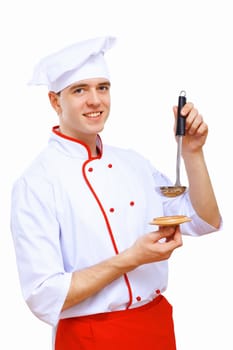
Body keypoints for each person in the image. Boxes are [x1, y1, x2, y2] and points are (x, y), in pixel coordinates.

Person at [11, 36, 221, 350]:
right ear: (55, 102)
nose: (95, 101)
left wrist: (193, 153)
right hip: (89, 337)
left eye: (103, 87)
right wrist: (130, 260)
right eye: (79, 90)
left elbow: (204, 219)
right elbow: (43, 295)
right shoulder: (36, 183)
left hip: (156, 327)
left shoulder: (133, 163)